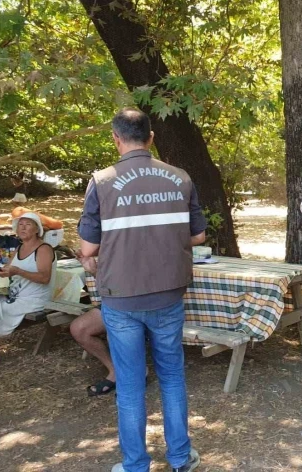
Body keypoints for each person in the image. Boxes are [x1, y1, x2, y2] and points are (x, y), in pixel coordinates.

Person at [78, 108, 207, 472]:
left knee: (131, 384)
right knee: (172, 377)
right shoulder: (180, 177)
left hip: (121, 297)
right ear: (151, 137)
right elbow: (198, 235)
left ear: (115, 139)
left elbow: (88, 247)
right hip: (168, 294)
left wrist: (94, 257)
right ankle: (180, 458)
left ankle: (135, 465)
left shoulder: (101, 181)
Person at [0, 212, 56, 368]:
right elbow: (8, 271)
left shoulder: (43, 249)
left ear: (37, 230)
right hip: (16, 296)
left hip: (34, 300)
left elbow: (45, 278)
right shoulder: (19, 248)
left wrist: (18, 271)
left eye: (27, 224)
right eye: (20, 225)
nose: (22, 228)